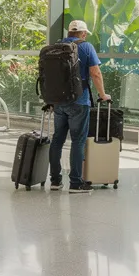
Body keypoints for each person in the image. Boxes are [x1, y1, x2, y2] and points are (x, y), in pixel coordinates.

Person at [48, 20, 109, 194]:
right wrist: (103, 95)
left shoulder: (56, 46)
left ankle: (55, 181)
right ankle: (75, 183)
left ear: (69, 32)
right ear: (83, 33)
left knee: (57, 140)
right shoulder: (86, 46)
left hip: (58, 101)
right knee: (78, 141)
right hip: (79, 101)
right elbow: (95, 73)